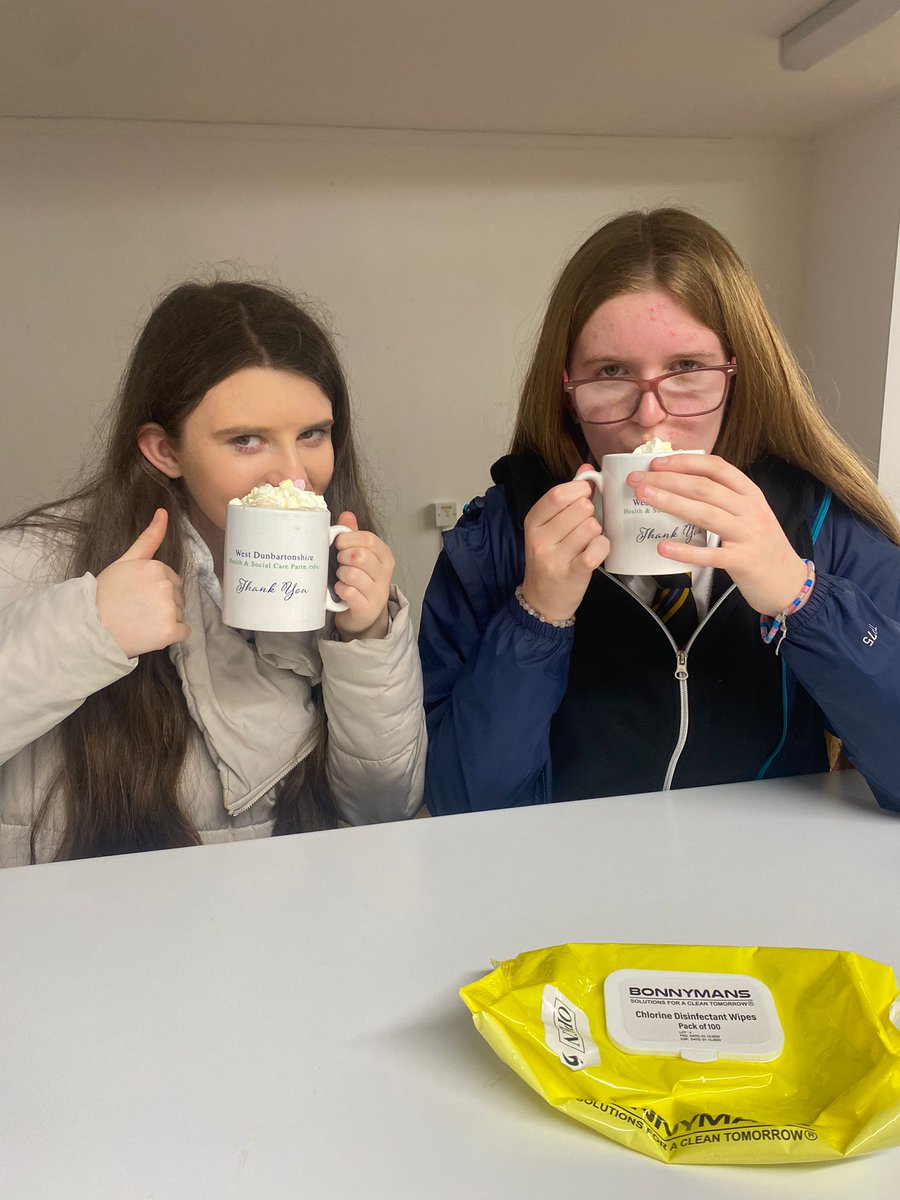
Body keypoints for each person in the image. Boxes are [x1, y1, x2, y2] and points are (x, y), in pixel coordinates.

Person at [419, 207, 900, 815]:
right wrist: (535, 617)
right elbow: (459, 807)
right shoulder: (493, 541)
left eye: (686, 368)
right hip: (564, 869)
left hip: (768, 865)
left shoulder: (822, 524)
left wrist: (802, 597)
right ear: (566, 393)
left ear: (737, 376)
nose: (650, 416)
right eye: (611, 372)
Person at [0, 280, 425, 866]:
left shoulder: (338, 571)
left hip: (290, 907)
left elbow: (383, 809)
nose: (294, 475)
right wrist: (86, 629)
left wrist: (368, 640)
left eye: (312, 434)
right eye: (247, 440)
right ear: (165, 451)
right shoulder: (31, 562)